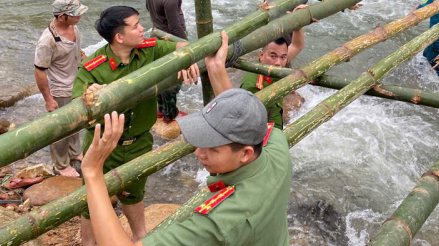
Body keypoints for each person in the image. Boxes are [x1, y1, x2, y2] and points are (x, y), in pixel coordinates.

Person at [80, 87, 291, 246]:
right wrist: (216, 67)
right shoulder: (277, 147)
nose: (198, 152)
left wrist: (93, 173)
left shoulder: (220, 223)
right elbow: (261, 129)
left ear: (245, 154)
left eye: (213, 148)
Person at [73, 6, 200, 246]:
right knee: (91, 198)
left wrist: (187, 59)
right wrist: (87, 95)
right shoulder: (93, 67)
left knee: (135, 192)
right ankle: (88, 243)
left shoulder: (147, 50)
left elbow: (184, 47)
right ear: (119, 37)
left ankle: (139, 237)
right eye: (136, 26)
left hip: (140, 141)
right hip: (103, 146)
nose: (143, 28)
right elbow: (76, 104)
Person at [34, 0, 88, 178]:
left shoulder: (74, 27)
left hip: (76, 83)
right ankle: (61, 164)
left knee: (77, 121)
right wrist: (48, 99)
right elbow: (40, 71)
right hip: (59, 89)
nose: (79, 17)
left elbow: (76, 49)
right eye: (75, 14)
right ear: (62, 17)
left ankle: (74, 152)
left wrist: (83, 59)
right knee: (61, 129)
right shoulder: (47, 41)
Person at [239, 6, 307, 129]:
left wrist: (298, 23)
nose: (278, 63)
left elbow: (297, 45)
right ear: (261, 55)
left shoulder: (274, 66)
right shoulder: (253, 86)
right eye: (273, 56)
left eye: (283, 57)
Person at [145, 0, 192, 124]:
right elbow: (174, 27)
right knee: (173, 80)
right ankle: (170, 114)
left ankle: (160, 109)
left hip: (156, 34)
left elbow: (148, 6)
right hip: (171, 40)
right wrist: (186, 46)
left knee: (160, 74)